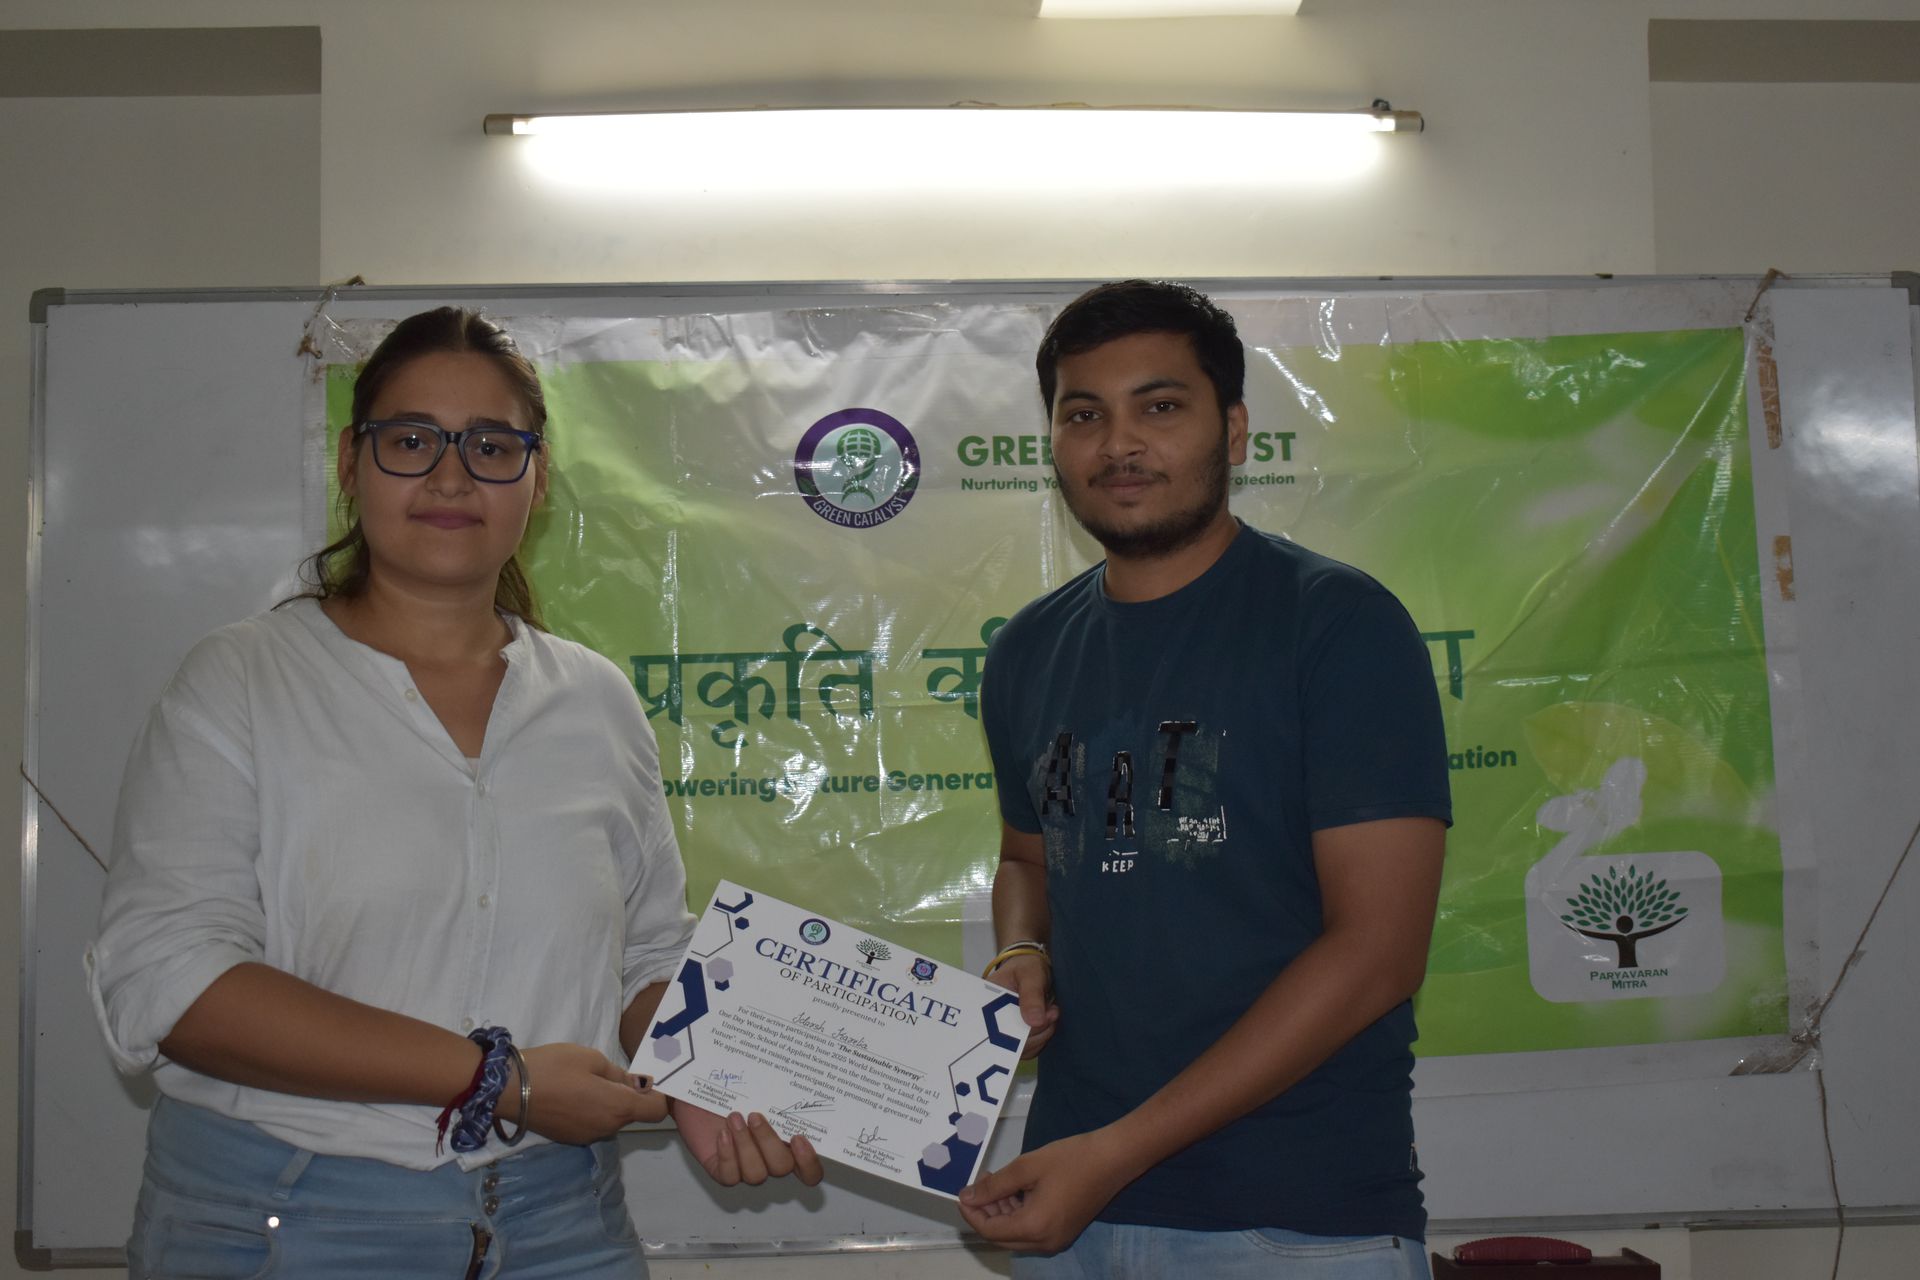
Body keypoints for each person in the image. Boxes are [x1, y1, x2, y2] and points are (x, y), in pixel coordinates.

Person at [86, 307, 820, 1278]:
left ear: (538, 478)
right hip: (290, 1218)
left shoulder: (595, 698)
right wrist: (499, 1080)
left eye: (490, 446)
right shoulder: (241, 682)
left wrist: (708, 1074)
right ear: (351, 462)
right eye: (410, 440)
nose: (449, 475)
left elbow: (646, 959)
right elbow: (171, 981)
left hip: (563, 1220)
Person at [959, 281, 1451, 1278]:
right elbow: (1027, 856)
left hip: (1294, 1221)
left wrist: (1116, 1153)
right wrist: (1021, 947)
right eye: (1083, 414)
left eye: (1160, 406)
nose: (1119, 443)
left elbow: (1377, 954)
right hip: (1072, 1205)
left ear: (1232, 429)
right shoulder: (1026, 649)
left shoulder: (1338, 626)